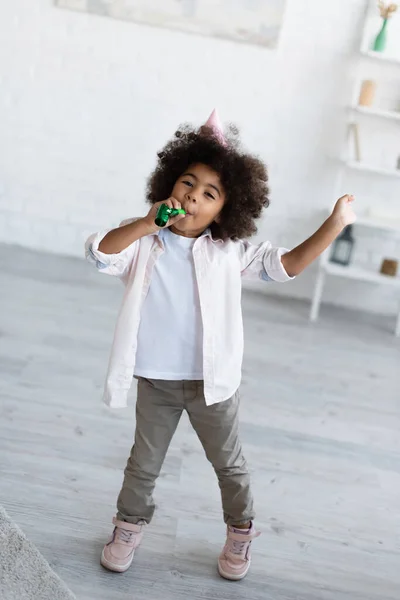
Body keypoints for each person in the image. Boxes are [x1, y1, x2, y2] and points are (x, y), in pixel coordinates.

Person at [85, 109, 356, 581]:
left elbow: (288, 264)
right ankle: (128, 527)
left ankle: (240, 531)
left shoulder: (229, 253)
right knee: (142, 464)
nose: (193, 196)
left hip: (215, 384)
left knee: (229, 466)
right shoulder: (144, 240)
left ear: (226, 209)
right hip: (157, 379)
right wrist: (146, 225)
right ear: (169, 182)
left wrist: (336, 223)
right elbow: (100, 252)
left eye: (209, 193)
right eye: (188, 182)